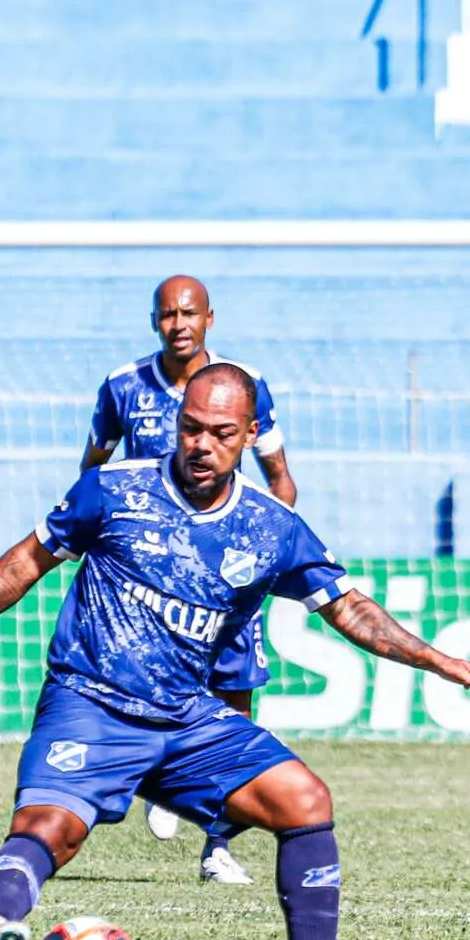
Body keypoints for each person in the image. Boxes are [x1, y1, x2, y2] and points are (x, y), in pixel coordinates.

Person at [0, 364, 470, 940]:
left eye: (220, 433)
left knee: (305, 799)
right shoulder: (112, 490)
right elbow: (30, 557)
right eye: (190, 428)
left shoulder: (272, 528)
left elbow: (348, 608)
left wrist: (440, 660)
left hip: (187, 719)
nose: (200, 444)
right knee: (51, 829)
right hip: (91, 701)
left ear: (249, 435)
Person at [80, 275, 298, 886]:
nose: (178, 324)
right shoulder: (123, 388)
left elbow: (281, 480)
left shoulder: (245, 387)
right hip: (145, 586)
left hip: (225, 580)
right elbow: (91, 475)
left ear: (209, 318)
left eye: (189, 313)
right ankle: (150, 777)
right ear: (154, 322)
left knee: (235, 701)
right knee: (130, 685)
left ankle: (219, 845)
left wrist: (260, 556)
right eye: (166, 314)